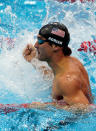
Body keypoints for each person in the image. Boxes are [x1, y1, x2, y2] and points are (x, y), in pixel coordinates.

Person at [23, 22, 93, 111]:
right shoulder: (70, 62)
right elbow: (54, 79)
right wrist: (34, 61)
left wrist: (47, 107)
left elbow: (86, 111)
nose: (35, 45)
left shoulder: (67, 81)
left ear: (55, 46)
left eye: (40, 41)